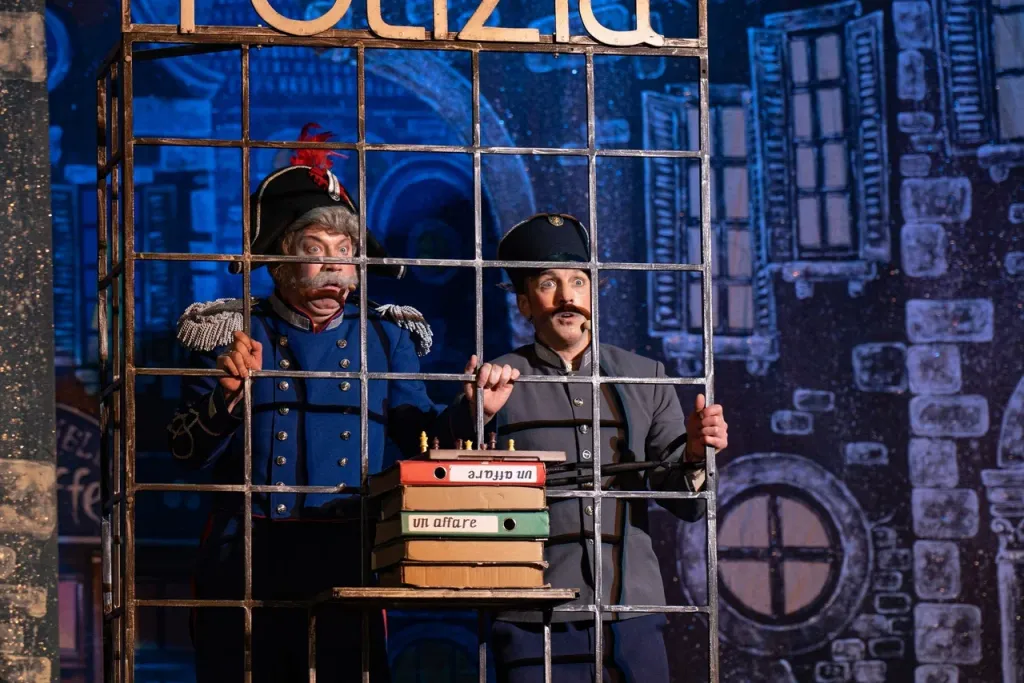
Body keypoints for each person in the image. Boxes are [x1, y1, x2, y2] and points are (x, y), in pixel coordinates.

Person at [166, 125, 449, 682]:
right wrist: (226, 399)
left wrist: (473, 409)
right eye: (315, 251)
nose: (334, 265)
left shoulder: (385, 336)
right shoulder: (229, 330)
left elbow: (421, 435)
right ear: (278, 259)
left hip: (348, 551)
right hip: (246, 557)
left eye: (345, 252)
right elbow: (183, 452)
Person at [444, 213, 729, 682]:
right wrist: (478, 415)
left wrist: (697, 454)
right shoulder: (497, 380)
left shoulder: (646, 376)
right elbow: (449, 483)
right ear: (524, 303)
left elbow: (686, 502)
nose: (567, 297)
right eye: (548, 284)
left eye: (578, 281)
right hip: (532, 611)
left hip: (633, 610)